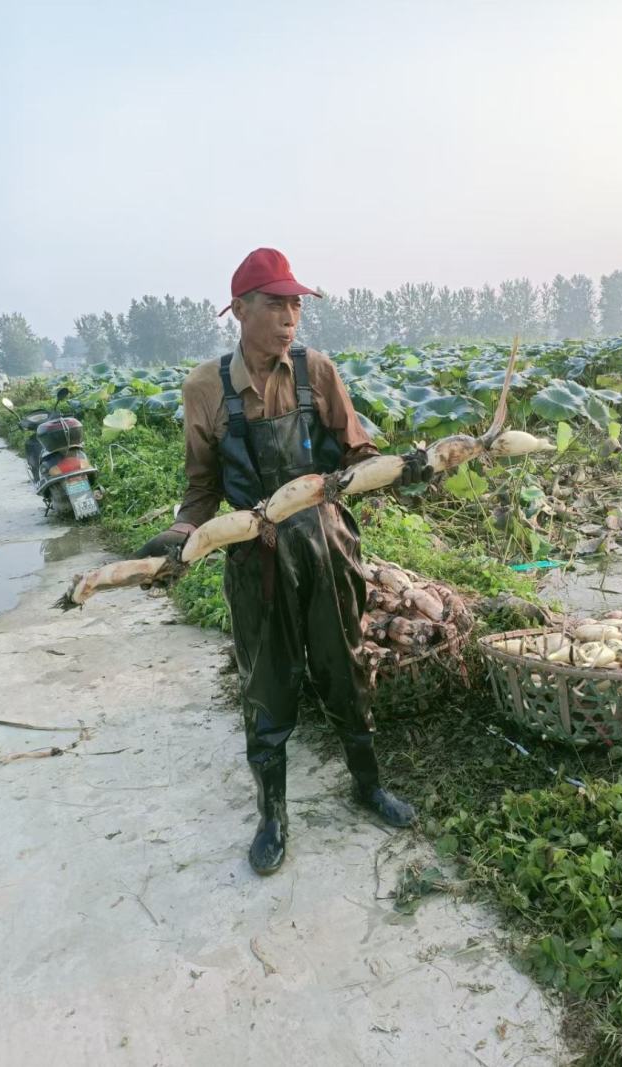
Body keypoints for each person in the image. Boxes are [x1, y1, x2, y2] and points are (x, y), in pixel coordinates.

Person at [135, 248, 431, 876]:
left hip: (326, 544)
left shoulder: (316, 371)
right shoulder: (205, 388)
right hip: (254, 555)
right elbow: (200, 485)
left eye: (296, 303)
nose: (290, 315)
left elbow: (357, 453)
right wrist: (183, 533)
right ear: (239, 310)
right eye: (276, 303)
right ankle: (273, 814)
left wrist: (405, 468)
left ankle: (367, 785)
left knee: (344, 667)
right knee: (266, 685)